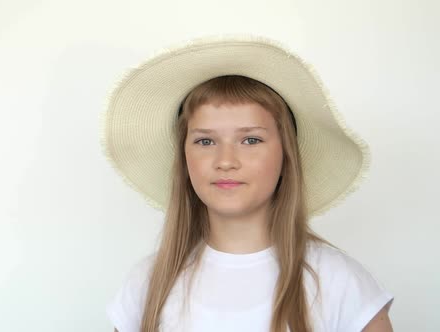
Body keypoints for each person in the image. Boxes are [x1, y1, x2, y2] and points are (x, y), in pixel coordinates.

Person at [100, 34, 394, 332]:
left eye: (251, 139)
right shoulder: (148, 284)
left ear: (286, 157)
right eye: (205, 141)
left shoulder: (338, 283)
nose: (226, 160)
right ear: (184, 161)